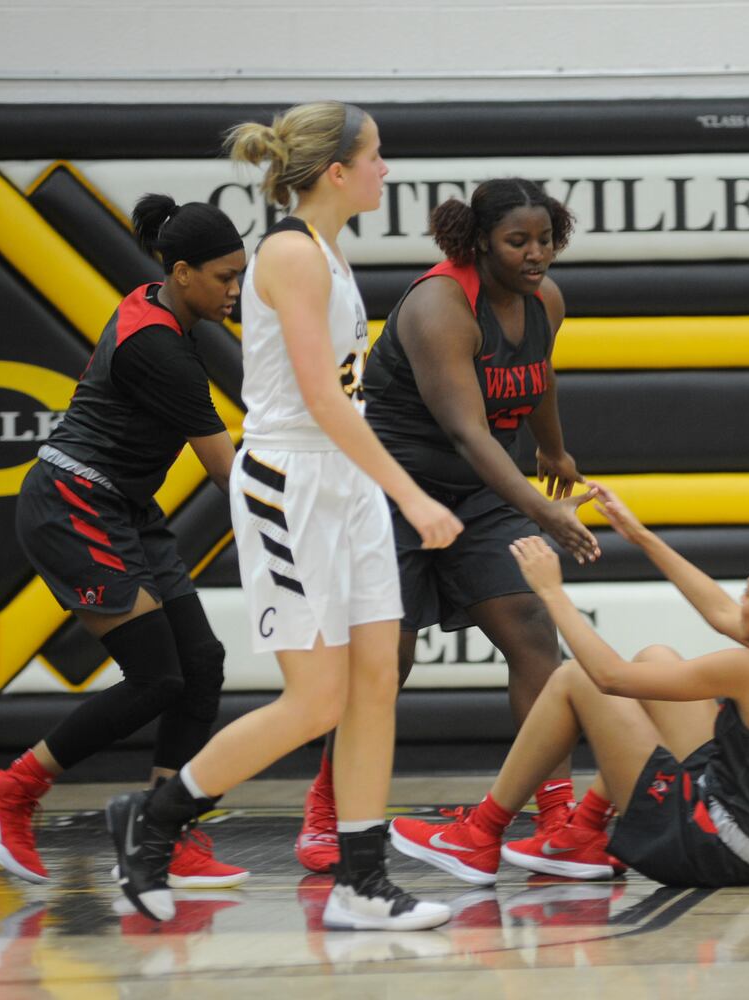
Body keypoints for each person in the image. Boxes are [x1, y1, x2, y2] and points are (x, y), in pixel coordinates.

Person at [105, 101, 463, 931]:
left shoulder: (330, 253)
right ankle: (152, 824)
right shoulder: (291, 254)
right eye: (378, 155)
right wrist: (410, 493)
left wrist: (382, 491)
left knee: (377, 681)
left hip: (346, 481)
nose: (388, 168)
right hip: (290, 482)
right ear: (337, 170)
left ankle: (360, 882)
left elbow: (343, 400)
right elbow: (316, 398)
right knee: (315, 700)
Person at [290, 178, 601, 873]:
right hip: (392, 492)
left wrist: (551, 448)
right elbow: (467, 432)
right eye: (516, 241)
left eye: (544, 239)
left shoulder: (544, 299)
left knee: (530, 632)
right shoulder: (439, 306)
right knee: (384, 665)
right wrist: (541, 507)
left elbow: (539, 375)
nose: (535, 254)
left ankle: (554, 817)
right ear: (478, 241)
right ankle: (327, 810)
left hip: (479, 493)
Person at [0, 194, 249, 889]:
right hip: (73, 503)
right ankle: (10, 789)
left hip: (122, 507)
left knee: (199, 663)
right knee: (158, 679)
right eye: (224, 276)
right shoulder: (161, 350)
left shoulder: (159, 304)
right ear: (181, 272)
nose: (236, 290)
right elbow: (224, 472)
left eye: (242, 275)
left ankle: (163, 831)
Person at [388, 484, 749, 888]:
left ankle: (479, 834)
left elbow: (609, 678)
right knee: (656, 658)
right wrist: (639, 535)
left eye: (747, 594)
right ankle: (582, 833)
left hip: (716, 849)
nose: (738, 600)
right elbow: (718, 611)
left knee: (575, 677)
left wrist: (551, 592)